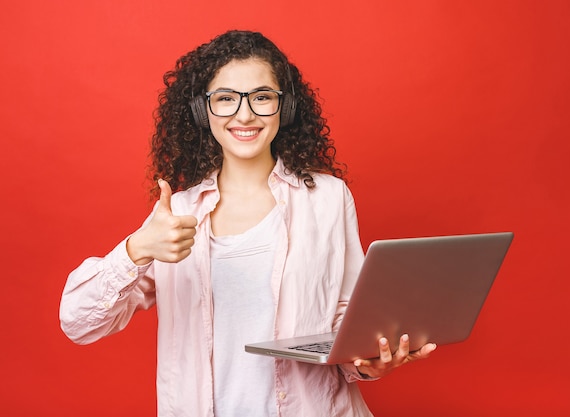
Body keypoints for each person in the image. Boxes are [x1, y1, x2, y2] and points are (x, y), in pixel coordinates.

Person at [59, 30, 436, 417]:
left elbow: (344, 317)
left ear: (284, 108)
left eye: (261, 97)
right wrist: (136, 249)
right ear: (201, 111)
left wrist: (366, 362)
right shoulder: (176, 215)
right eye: (225, 99)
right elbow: (78, 323)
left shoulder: (328, 197)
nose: (245, 115)